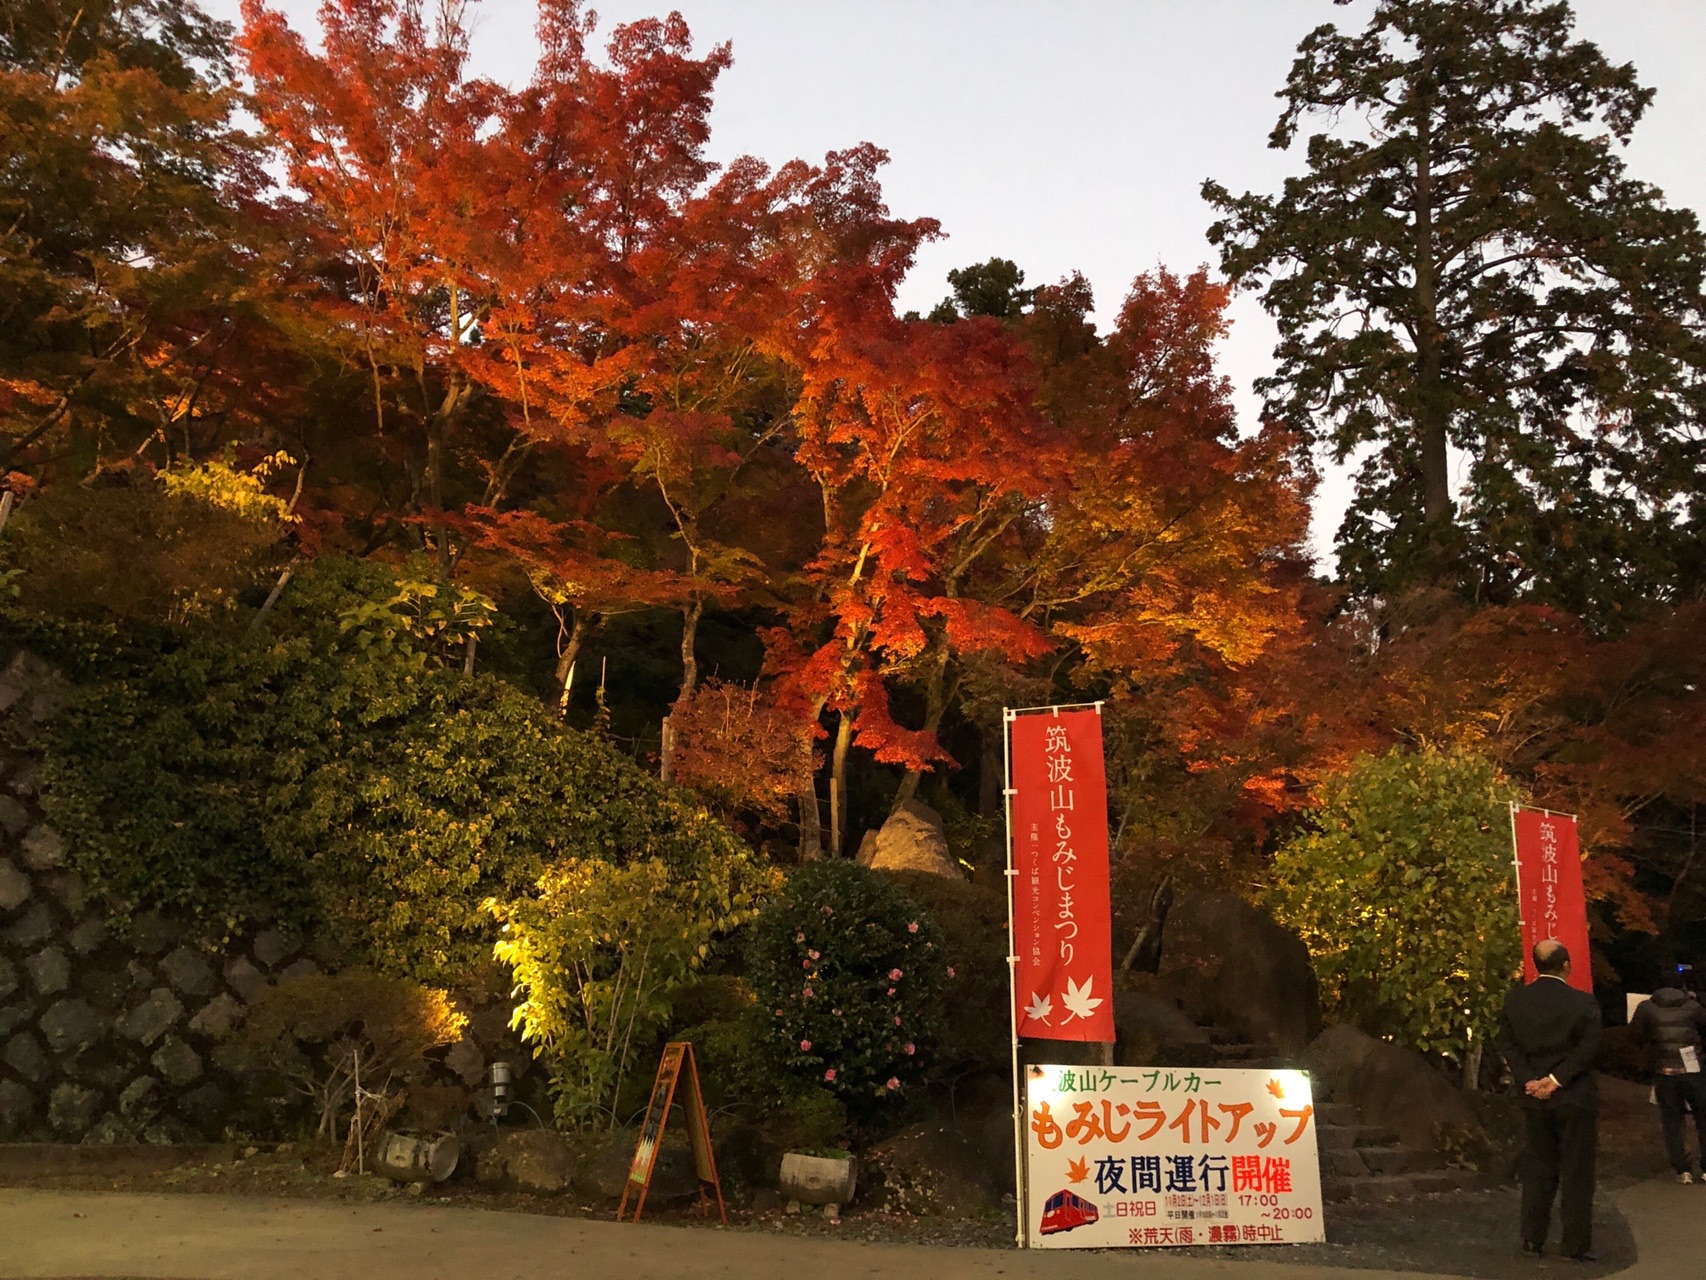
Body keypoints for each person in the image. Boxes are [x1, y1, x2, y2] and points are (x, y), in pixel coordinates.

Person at [1496, 939, 1602, 1261]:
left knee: (1538, 1167)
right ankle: (1574, 1245)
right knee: (1577, 1173)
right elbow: (1589, 1049)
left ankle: (1532, 1239)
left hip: (1533, 1098)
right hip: (1575, 1095)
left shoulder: (1515, 1001)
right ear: (1567, 965)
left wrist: (1529, 1078)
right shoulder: (1584, 1004)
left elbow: (1507, 1042)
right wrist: (1556, 1080)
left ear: (1535, 965)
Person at [1627, 981, 1706, 1183]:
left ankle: (1683, 1170)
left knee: (1672, 1121)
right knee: (1703, 1118)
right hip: (1693, 1070)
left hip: (1664, 1072)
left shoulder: (1646, 1007)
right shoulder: (1692, 1006)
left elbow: (1635, 1036)